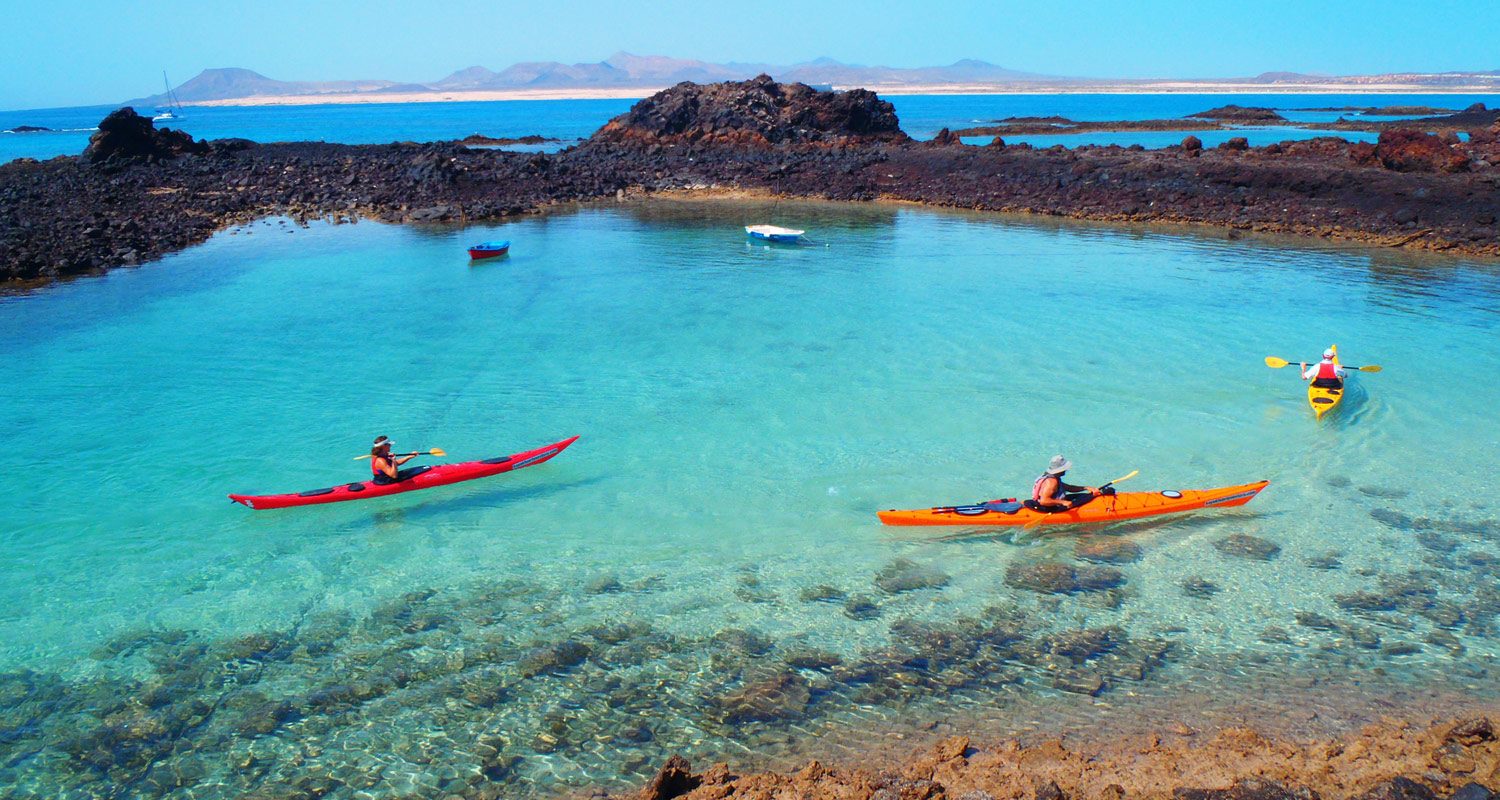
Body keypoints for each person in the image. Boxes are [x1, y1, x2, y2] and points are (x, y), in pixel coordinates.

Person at [1028, 455, 1101, 512]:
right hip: (1049, 508)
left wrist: (1086, 488)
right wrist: (1063, 502)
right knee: (1087, 498)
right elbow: (1044, 501)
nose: (1066, 470)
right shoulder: (1052, 482)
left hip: (1052, 503)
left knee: (1086, 496)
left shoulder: (1051, 477)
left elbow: (1069, 488)